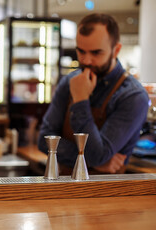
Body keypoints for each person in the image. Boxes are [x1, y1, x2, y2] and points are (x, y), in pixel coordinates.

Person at [37, 13, 149, 174]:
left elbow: (97, 154)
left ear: (116, 50)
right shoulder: (69, 82)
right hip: (61, 187)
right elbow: (44, 140)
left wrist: (80, 100)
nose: (86, 60)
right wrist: (90, 160)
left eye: (96, 53)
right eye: (81, 51)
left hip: (106, 193)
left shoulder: (133, 96)